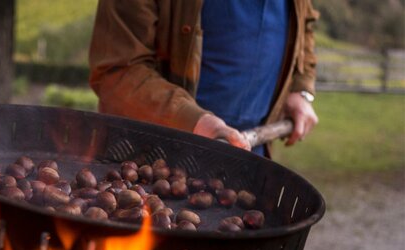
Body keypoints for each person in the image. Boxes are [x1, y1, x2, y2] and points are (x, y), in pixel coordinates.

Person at [88, 0, 320, 156]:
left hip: (251, 155)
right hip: (151, 159)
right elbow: (117, 72)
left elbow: (305, 22)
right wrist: (194, 121)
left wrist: (300, 89)